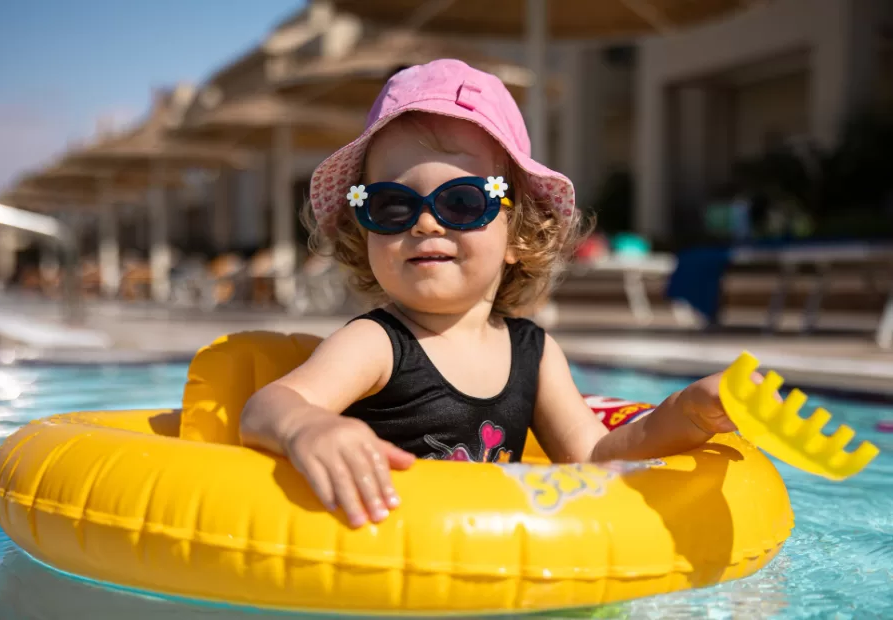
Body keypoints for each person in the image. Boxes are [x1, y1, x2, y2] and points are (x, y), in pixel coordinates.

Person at [240, 59, 742, 529]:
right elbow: (268, 406)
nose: (426, 222)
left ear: (518, 234)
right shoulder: (376, 344)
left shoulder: (535, 353)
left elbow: (596, 457)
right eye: (392, 205)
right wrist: (308, 428)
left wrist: (687, 412)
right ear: (362, 228)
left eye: (463, 202)